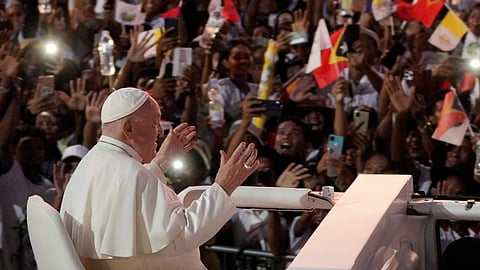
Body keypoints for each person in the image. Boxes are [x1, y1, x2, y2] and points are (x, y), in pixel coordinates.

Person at [59, 87, 260, 269]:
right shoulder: (130, 171)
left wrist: (160, 163)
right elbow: (182, 237)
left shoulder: (93, 160)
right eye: (155, 123)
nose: (162, 131)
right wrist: (223, 187)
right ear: (129, 128)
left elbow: (130, 197)